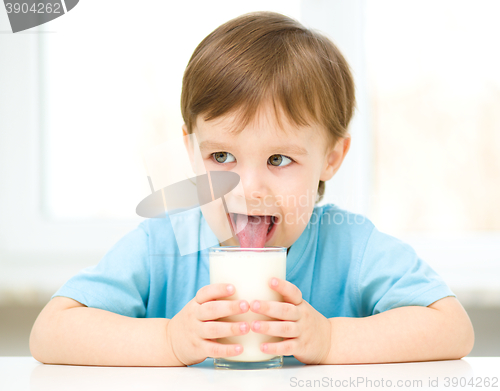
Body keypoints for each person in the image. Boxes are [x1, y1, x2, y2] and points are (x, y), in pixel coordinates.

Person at [29, 11, 474, 367]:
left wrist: (332, 337)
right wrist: (169, 339)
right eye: (221, 158)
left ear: (332, 158)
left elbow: (453, 328)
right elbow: (50, 332)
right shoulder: (161, 246)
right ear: (190, 151)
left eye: (279, 160)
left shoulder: (351, 247)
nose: (247, 188)